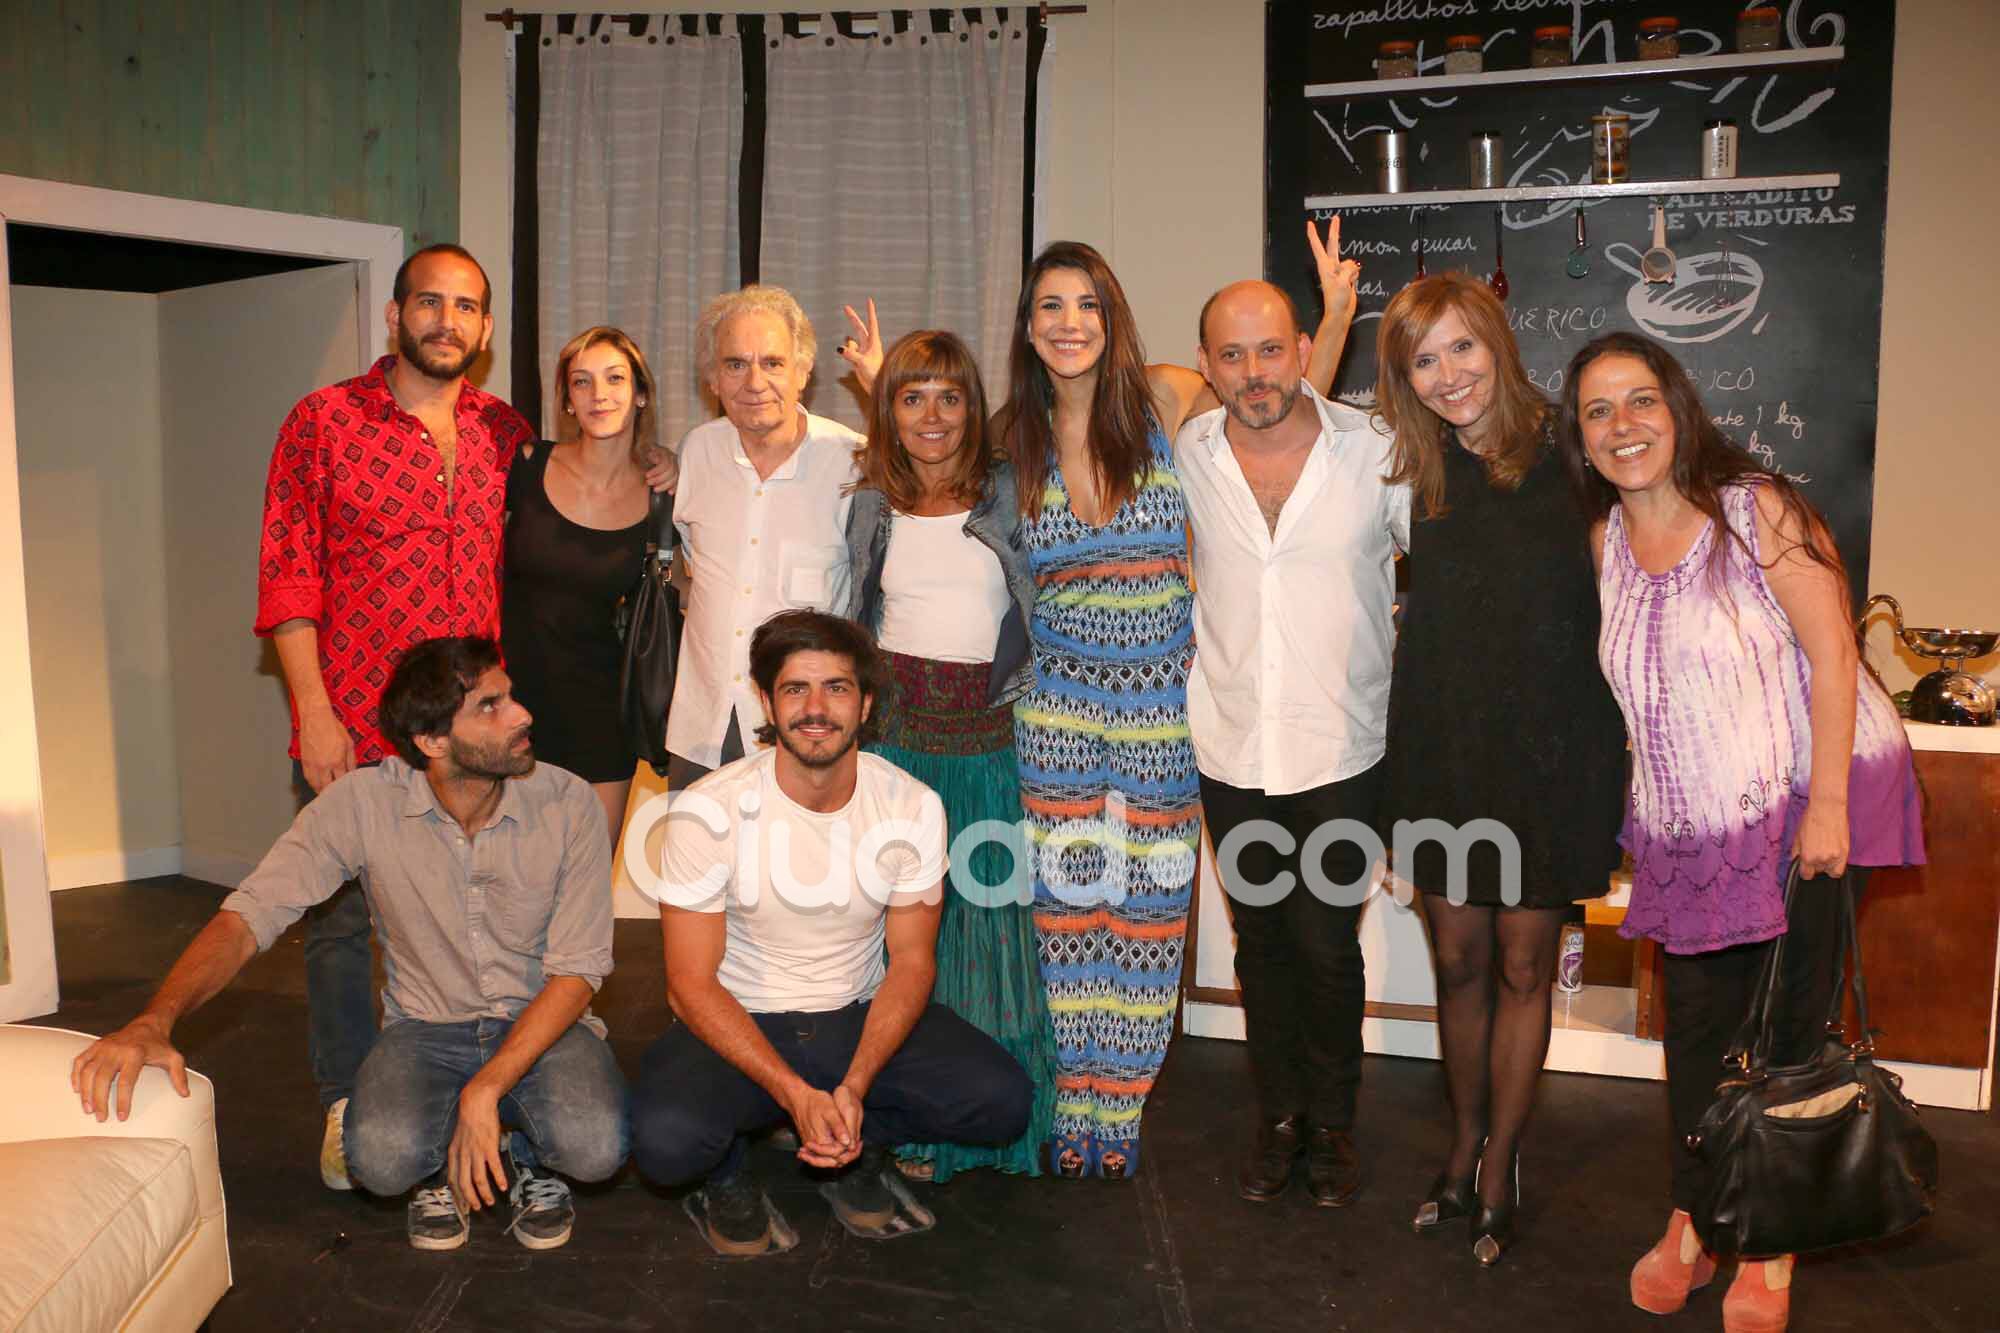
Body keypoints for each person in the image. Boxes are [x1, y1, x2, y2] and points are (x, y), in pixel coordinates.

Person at [1560, 332, 1923, 1333]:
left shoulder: (1752, 507)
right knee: (1695, 1037)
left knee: (1785, 1034)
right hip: (1692, 824)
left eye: (1639, 400)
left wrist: (1828, 809)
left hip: (1811, 799)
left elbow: (1832, 652)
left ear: (1677, 410)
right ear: (1579, 436)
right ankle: (1693, 1217)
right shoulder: (1602, 548)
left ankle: (1769, 1243)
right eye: (1597, 410)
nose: (1620, 424)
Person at [69, 637, 627, 1253]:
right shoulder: (363, 804)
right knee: (379, 1161)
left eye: (510, 695)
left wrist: (485, 1088)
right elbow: (251, 915)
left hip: (543, 1023)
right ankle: (447, 1156)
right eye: (491, 706)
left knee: (597, 1145)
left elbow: (577, 974)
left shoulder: (568, 802)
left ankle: (518, 1152)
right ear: (433, 742)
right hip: (426, 1029)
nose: (522, 715)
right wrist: (156, 1018)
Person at [254, 243, 534, 1190]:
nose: (446, 320)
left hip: (478, 729)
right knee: (339, 920)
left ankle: (489, 1091)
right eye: (430, 302)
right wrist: (313, 709)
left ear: (485, 330)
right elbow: (288, 573)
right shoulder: (323, 421)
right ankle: (346, 1102)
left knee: (482, 907)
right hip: (358, 722)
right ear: (395, 314)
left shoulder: (507, 432)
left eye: (466, 307)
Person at [629, 610, 1033, 1256]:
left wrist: (854, 1087)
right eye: (795, 689)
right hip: (746, 1016)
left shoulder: (911, 805)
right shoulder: (709, 809)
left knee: (1001, 1099)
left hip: (854, 1014)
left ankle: (855, 1143)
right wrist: (794, 1092)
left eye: (837, 688)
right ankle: (728, 1170)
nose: (816, 709)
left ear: (866, 702)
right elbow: (688, 986)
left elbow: (911, 963)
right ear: (767, 700)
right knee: (666, 1142)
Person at [1371, 273, 1627, 1264]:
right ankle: (1464, 1134)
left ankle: (1497, 1160)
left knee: (1524, 966)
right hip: (1441, 747)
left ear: (1497, 342)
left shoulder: (1575, 451)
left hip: (1553, 752)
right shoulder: (1409, 468)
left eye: (1459, 348)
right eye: (1421, 360)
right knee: (1453, 961)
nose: (1445, 375)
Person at [1176, 279, 1404, 1209]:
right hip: (1230, 746)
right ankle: (1279, 1120)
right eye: (1231, 355)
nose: (1253, 372)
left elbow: (1448, 557)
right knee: (1261, 944)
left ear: (1305, 348)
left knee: (1325, 946)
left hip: (1345, 747)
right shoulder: (1189, 450)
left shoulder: (1376, 448)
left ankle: (1335, 1125)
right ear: (1205, 366)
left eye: (1270, 349)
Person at [838, 329, 1057, 1182]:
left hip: (986, 743)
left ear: (975, 406)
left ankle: (983, 1125)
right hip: (893, 752)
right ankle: (899, 1119)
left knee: (986, 933)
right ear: (889, 410)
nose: (932, 415)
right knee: (891, 942)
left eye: (950, 396)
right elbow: (855, 616)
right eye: (911, 396)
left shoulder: (1011, 495)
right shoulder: (868, 506)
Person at [664, 286, 864, 789]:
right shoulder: (696, 452)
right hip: (703, 729)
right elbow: (693, 573)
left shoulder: (854, 464)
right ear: (712, 378)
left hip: (808, 739)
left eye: (773, 363)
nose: (755, 382)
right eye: (735, 364)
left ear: (803, 371)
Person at [503, 326, 659, 843]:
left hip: (601, 715)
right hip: (509, 706)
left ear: (640, 393)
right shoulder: (524, 466)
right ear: (567, 399)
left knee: (586, 885)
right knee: (504, 883)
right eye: (582, 382)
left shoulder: (664, 496)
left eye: (615, 379)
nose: (599, 395)